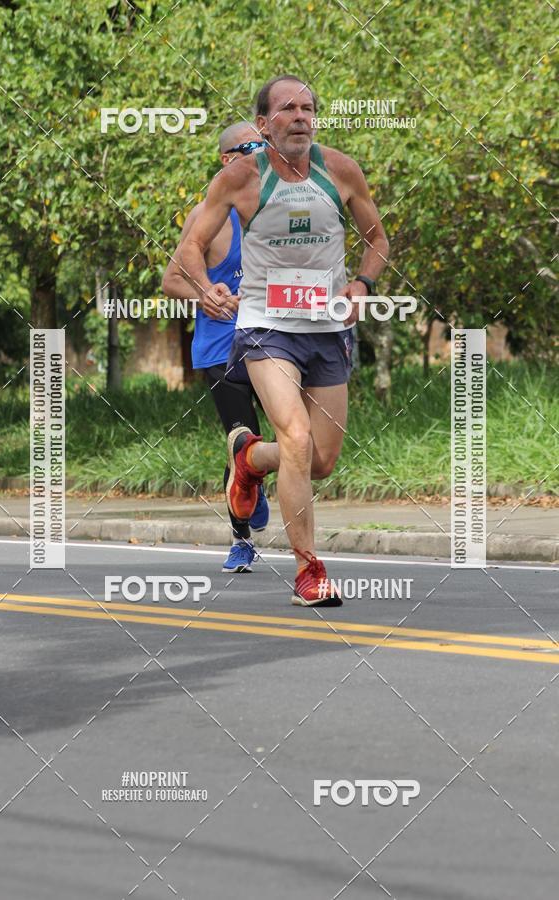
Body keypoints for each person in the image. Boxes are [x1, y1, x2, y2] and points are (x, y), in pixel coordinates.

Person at [179, 75, 389, 606]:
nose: (300, 116)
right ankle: (308, 570)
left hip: (327, 329)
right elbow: (190, 247)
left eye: (308, 108)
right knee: (295, 438)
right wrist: (206, 288)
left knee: (319, 461)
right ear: (266, 122)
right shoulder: (241, 179)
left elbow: (378, 238)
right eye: (288, 109)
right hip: (264, 329)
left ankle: (248, 461)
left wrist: (362, 283)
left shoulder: (340, 170)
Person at [162, 122, 269, 574]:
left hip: (274, 339)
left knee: (299, 434)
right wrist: (207, 293)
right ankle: (241, 539)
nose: (264, 154)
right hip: (222, 348)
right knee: (239, 439)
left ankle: (257, 478)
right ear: (228, 159)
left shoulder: (281, 208)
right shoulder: (207, 217)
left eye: (267, 146)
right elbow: (170, 281)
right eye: (253, 148)